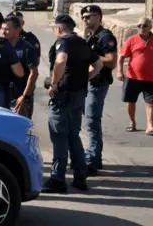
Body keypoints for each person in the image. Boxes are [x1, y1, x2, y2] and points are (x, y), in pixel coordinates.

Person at [42, 14, 103, 194]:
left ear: (59, 29)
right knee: (73, 136)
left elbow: (60, 61)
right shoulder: (83, 43)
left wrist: (54, 84)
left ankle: (58, 179)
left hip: (63, 96)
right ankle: (80, 177)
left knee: (59, 136)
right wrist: (86, 78)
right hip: (78, 94)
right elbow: (99, 64)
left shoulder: (64, 42)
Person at [81, 5, 118, 175]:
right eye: (83, 17)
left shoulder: (105, 37)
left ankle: (93, 159)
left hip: (98, 82)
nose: (85, 20)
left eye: (89, 16)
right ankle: (91, 156)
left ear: (99, 17)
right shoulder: (90, 36)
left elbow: (111, 61)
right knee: (88, 120)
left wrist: (92, 57)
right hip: (87, 82)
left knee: (92, 120)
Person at [117, 17, 153, 135]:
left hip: (150, 78)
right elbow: (121, 57)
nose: (141, 28)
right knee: (130, 101)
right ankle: (132, 122)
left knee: (150, 103)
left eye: (144, 25)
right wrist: (119, 71)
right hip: (132, 77)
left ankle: (150, 125)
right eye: (139, 26)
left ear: (150, 27)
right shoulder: (132, 40)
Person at [2, 16, 39, 119]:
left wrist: (24, 96)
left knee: (21, 129)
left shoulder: (27, 49)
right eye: (2, 29)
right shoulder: (1, 46)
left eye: (7, 29)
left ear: (18, 29)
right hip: (4, 96)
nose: (3, 32)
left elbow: (34, 73)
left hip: (20, 97)